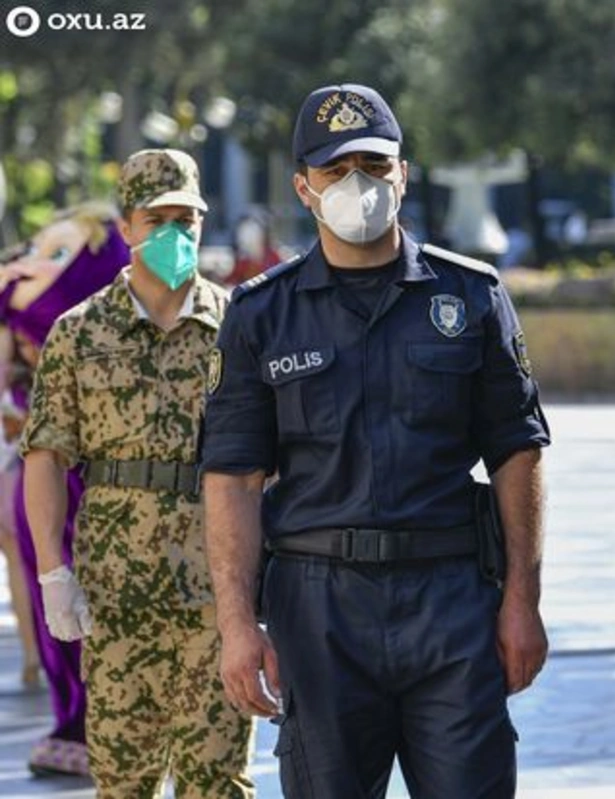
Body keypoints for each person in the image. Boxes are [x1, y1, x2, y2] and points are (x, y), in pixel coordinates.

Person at [201, 83, 550, 799]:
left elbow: (519, 452)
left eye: (374, 164)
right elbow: (233, 478)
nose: (357, 183)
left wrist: (523, 600)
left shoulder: (473, 297)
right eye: (336, 170)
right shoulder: (262, 314)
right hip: (318, 607)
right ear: (304, 187)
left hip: (451, 600)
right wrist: (238, 625)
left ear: (403, 174)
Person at [20, 150, 253, 797]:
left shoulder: (241, 327)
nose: (176, 233)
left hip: (219, 598)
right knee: (124, 781)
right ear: (126, 227)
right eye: (159, 218)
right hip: (116, 600)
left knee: (218, 780)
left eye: (189, 217)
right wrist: (51, 572)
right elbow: (45, 457)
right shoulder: (78, 333)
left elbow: (274, 461)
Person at [0, 201, 130, 776]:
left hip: (103, 483)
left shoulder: (108, 323)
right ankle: (73, 715)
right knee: (49, 590)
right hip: (41, 469)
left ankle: (114, 720)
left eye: (53, 253)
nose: (31, 265)